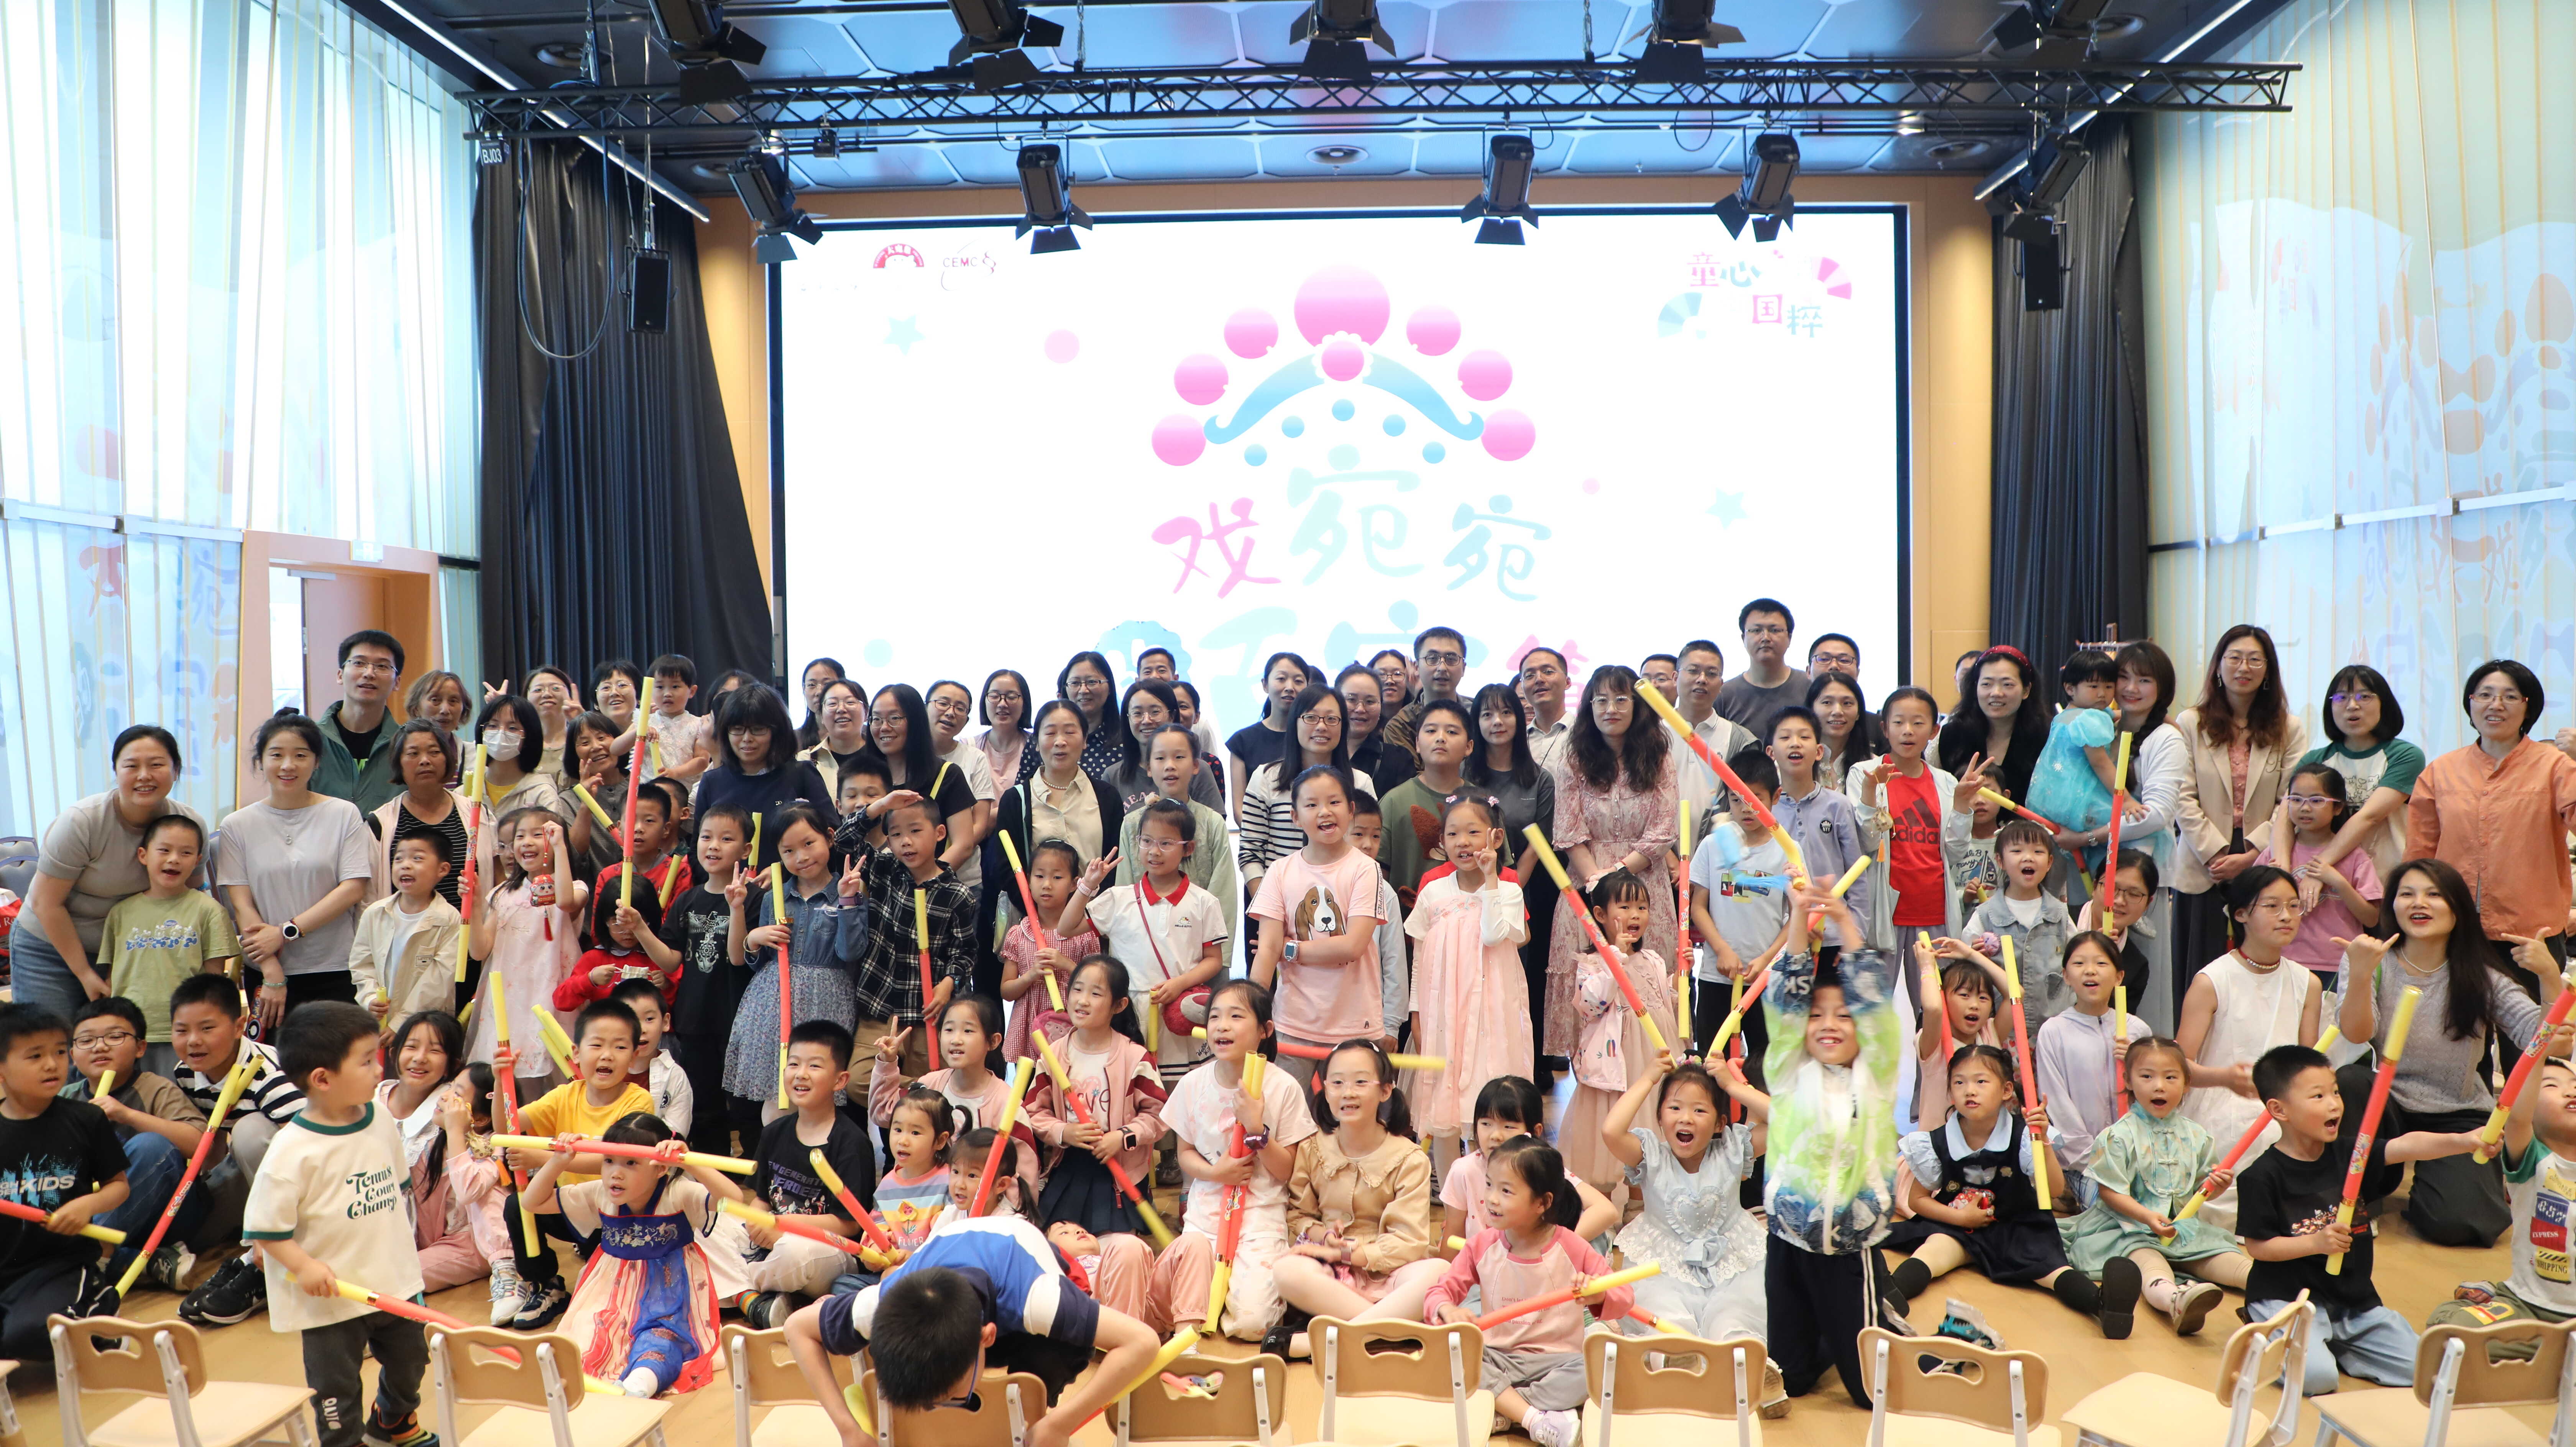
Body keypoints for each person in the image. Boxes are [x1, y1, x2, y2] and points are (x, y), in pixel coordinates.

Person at [784, 1212, 1164, 1445]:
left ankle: (1035, 1416)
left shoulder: (1040, 1299)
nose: (941, 1408)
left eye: (950, 1396)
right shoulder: (885, 1303)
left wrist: (1060, 1425)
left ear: (988, 1337)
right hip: (950, 1264)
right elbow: (797, 1328)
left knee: (1055, 1353)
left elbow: (1142, 1342)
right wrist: (849, 1430)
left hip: (1019, 1269)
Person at [2335, 858, 2561, 1248]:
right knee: (2351, 1081)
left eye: (2434, 894)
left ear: (2458, 909)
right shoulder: (2371, 960)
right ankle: (2366, 1192)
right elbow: (2357, 1033)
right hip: (2385, 1102)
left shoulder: (2481, 976)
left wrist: (2549, 976)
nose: (2418, 903)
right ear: (2392, 906)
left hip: (2456, 1112)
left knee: (2465, 1224)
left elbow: (2553, 1041)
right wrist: (2359, 973)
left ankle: (2431, 1190)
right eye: (2407, 894)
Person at [2236, 1042, 2482, 1394]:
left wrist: (2465, 1141)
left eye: (2335, 1092)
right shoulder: (2261, 1176)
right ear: (2279, 1110)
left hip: (2353, 1301)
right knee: (2318, 1380)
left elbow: (2406, 1145)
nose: (2335, 1104)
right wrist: (2314, 1243)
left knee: (2430, 1371)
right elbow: (2258, 1248)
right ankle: (2268, 1334)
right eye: (2318, 1096)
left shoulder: (2352, 1153)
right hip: (2290, 1301)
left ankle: (2337, 1345)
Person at [247, 1001, 432, 1447]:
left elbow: (399, 1189)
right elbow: (267, 1230)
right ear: (323, 1078)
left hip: (394, 1281)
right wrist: (304, 1265)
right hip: (331, 1298)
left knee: (412, 1361)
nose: (380, 1068)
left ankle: (392, 1418)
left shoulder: (380, 1117)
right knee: (335, 1388)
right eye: (366, 1060)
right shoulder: (290, 1151)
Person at [1878, 1046, 2133, 1335]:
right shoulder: (1937, 1141)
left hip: (2017, 1228)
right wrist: (1960, 1219)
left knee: (2052, 1271)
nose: (1969, 1091)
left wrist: (2042, 1142)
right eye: (1959, 1083)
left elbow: (2054, 1189)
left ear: (2006, 1090)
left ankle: (2102, 1305)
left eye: (1981, 1081)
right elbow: (1918, 1200)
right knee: (1933, 1252)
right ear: (1950, 1093)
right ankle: (1890, 1296)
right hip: (1959, 1229)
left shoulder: (2024, 1135)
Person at [1761, 883, 1899, 1408]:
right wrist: (1800, 917)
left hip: (1848, 1244)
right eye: (1818, 1015)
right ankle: (1825, 1331)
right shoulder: (1789, 1070)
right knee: (1791, 1381)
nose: (1828, 1025)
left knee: (1868, 1393)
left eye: (1843, 1015)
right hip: (1789, 1240)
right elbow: (1786, 999)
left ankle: (1882, 1322)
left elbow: (1876, 1005)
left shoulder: (1876, 1075)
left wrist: (1844, 921)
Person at [1426, 1136, 1637, 1447]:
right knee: (1448, 1351)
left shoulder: (1573, 1246)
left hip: (1559, 1362)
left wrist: (1598, 1295)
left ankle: (1505, 1410)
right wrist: (1448, 1309)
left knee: (1608, 1363)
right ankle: (1535, 1417)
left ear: (1543, 1203)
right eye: (1489, 1185)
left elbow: (1625, 1297)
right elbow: (1438, 1292)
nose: (1491, 1199)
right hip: (1497, 1358)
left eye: (1506, 1191)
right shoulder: (1481, 1246)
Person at [523, 1110, 743, 1396]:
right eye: (609, 1161)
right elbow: (532, 1202)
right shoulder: (600, 1192)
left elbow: (734, 1200)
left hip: (669, 1289)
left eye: (631, 1163)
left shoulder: (678, 1192)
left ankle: (639, 1385)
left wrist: (688, 1160)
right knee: (589, 1332)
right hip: (610, 1288)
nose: (616, 1173)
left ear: (661, 1169)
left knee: (662, 1340)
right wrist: (559, 1161)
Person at [1142, 980, 1316, 1339]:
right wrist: (1215, 1172)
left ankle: (1237, 1294)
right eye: (1215, 1017)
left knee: (1253, 1325)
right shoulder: (1193, 1083)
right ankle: (1221, 1296)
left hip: (1260, 1215)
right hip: (1206, 1213)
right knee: (1183, 1310)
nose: (1222, 1026)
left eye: (1236, 1017)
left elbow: (1287, 1170)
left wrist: (1256, 1129)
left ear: (1265, 1030)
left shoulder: (1283, 1087)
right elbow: (1186, 1154)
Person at [2056, 1035, 2253, 1337]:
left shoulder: (2198, 1136)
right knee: (2149, 1263)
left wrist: (2216, 1186)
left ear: (2187, 1084)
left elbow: (2202, 1191)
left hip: (2184, 1231)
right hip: (2127, 1229)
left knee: (2232, 1262)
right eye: (2147, 1077)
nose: (2159, 1086)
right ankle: (2175, 1300)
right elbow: (2109, 1192)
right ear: (2129, 1081)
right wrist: (2147, 1217)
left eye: (2170, 1077)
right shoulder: (2117, 1136)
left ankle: (2283, 1289)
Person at [1268, 1040, 1443, 1361]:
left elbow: (1409, 1241)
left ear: (1386, 1090)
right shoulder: (1313, 1148)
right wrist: (1326, 1238)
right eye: (1337, 1083)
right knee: (1286, 1271)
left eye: (1361, 1082)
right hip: (1332, 1275)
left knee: (1440, 1271)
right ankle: (1393, 1337)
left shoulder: (1410, 1158)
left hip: (1391, 1272)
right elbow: (1299, 1215)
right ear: (1326, 1090)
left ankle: (1334, 1340)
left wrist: (1349, 1253)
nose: (1348, 1093)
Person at [2407, 659, 2576, 979]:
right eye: (2484, 695)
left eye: (2510, 697)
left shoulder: (2556, 766)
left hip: (2529, 935)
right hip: (2454, 928)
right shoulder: (2441, 770)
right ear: (2470, 704)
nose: (2496, 705)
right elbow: (2420, 853)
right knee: (2458, 1013)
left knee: (2533, 1014)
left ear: (2528, 708)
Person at [1603, 1055, 1772, 1374]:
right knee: (1666, 1316)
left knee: (1734, 1317)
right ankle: (1675, 1360)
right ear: (1660, 1117)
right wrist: (1648, 1079)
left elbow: (1783, 1120)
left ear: (1720, 1123)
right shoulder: (1650, 1156)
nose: (1686, 1119)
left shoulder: (1732, 1151)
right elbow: (1611, 1131)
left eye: (1700, 1110)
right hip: (1663, 1267)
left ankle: (1748, 1367)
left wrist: (1731, 1085)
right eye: (1675, 1108)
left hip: (1732, 1263)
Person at [2176, 866, 2323, 1232]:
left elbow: (2308, 1069)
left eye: (2293, 906)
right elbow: (2178, 1067)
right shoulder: (2212, 981)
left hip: (2282, 1108)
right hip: (2220, 1104)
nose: (2287, 916)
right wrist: (2225, 1078)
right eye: (2272, 906)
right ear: (2241, 914)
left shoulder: (2308, 983)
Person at [1544, 665, 1679, 1063]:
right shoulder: (1573, 758)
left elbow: (1664, 830)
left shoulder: (1659, 756)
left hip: (1645, 885)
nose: (1611, 708)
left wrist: (1619, 876)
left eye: (1621, 699)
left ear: (1637, 706)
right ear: (1589, 706)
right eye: (1601, 700)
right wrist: (1598, 882)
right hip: (1588, 888)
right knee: (1592, 990)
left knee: (1646, 989)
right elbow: (1569, 832)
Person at [493, 998, 654, 1331]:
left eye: (619, 1047)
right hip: (572, 1206)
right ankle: (546, 1284)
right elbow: (506, 1128)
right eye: (597, 1045)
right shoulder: (565, 1095)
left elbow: (615, 1161)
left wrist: (545, 1159)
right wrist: (501, 1080)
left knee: (606, 1298)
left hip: (618, 1214)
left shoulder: (639, 1101)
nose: (607, 1055)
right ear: (577, 1054)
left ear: (634, 1055)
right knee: (519, 1206)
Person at [2172, 625, 2309, 997]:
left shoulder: (2289, 728)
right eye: (2234, 658)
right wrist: (2216, 853)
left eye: (2254, 660)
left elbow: (2291, 799)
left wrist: (2252, 854)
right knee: (2199, 973)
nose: (2243, 667)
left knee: (2256, 973)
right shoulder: (2191, 722)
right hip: (2203, 862)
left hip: (2262, 857)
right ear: (2218, 666)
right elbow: (2182, 794)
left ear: (2268, 670)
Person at [219, 714, 376, 1020]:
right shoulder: (237, 825)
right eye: (277, 755)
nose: (288, 765)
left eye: (301, 756)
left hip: (336, 966)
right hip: (268, 971)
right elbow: (242, 905)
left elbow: (353, 888)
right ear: (261, 761)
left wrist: (286, 932)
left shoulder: (343, 814)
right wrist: (271, 969)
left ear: (317, 762)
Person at [171, 973, 306, 1328]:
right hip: (249, 1176)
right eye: (182, 1031)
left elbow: (309, 1151)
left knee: (249, 1131)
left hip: (298, 1183)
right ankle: (248, 1255)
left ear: (239, 1027)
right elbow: (210, 1146)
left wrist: (268, 1225)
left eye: (207, 1029)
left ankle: (271, 1260)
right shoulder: (186, 1073)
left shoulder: (270, 1074)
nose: (193, 1041)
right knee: (191, 1229)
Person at [723, 1020, 877, 1328]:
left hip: (825, 1251)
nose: (801, 1074)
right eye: (794, 1064)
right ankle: (763, 1299)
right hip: (772, 1241)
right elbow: (762, 1199)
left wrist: (784, 1227)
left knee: (795, 1252)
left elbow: (848, 1224)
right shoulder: (775, 1132)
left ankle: (735, 1288)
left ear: (840, 1080)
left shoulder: (852, 1143)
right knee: (713, 1227)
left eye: (814, 1066)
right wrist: (758, 1220)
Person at [721, 804, 868, 1122]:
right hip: (774, 1006)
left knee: (820, 1092)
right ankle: (777, 1150)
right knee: (779, 1093)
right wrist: (753, 935)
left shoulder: (850, 892)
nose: (801, 857)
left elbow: (850, 953)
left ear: (829, 838)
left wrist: (847, 901)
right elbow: (745, 959)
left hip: (826, 1004)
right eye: (788, 851)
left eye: (809, 844)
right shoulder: (775, 897)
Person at [1405, 796, 1530, 1148]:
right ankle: (1451, 1182)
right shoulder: (1433, 891)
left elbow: (1492, 935)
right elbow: (1419, 957)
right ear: (1441, 842)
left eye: (1473, 833)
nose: (1463, 842)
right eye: (1453, 834)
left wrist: (1491, 879)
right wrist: (1417, 1012)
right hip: (1444, 1013)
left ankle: (1490, 1173)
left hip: (1493, 1012)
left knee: (1488, 1096)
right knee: (1442, 1107)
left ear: (1496, 838)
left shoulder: (1509, 891)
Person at [1249, 768, 1387, 1086]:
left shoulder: (1366, 869)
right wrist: (1252, 1010)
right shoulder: (1279, 871)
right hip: (1292, 1023)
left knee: (1350, 1111)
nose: (1324, 812)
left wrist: (1290, 949)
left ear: (1351, 810)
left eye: (1334, 802)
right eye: (1312, 805)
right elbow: (1266, 950)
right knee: (1286, 1109)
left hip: (1354, 1024)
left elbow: (1351, 947)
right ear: (1295, 817)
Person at [1071, 800, 1226, 1081]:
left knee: (1179, 1090)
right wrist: (1088, 885)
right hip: (1126, 1014)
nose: (1154, 851)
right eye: (1147, 841)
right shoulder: (1118, 898)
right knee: (1129, 1086)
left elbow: (1214, 961)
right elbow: (1066, 927)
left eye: (1166, 843)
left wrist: (1180, 984)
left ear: (1188, 849)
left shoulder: (1204, 902)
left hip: (1176, 1014)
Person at [64, 997, 211, 1290]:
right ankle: (141, 1262)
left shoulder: (155, 1088)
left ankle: (90, 1258)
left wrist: (126, 1115)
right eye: (87, 1040)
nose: (100, 1047)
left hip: (167, 1212)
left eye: (115, 1037)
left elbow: (199, 1145)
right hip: (88, 1215)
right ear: (72, 1054)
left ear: (141, 1047)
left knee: (151, 1146)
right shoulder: (64, 1099)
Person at [2428, 1056, 2576, 1345]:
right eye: (2551, 1086)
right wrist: (2544, 1041)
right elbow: (2518, 1118)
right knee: (2449, 1329)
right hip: (2528, 1306)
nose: (2570, 1092)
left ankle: (2552, 1352)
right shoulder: (2534, 1159)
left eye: (2575, 1085)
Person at [636, 804, 753, 1157]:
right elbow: (671, 959)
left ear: (746, 850)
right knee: (703, 1104)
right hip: (695, 1016)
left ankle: (752, 1169)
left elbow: (739, 956)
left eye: (726, 839)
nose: (713, 846)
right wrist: (640, 929)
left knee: (745, 1103)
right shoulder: (688, 899)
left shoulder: (756, 898)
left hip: (739, 1019)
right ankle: (712, 1168)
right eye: (706, 837)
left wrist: (737, 908)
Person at [1024, 955, 1168, 1235]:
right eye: (1077, 990)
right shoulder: (1053, 1055)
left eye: (1096, 994)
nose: (1083, 1000)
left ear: (1119, 1005)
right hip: (1070, 1164)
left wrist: (1123, 1137)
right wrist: (1064, 1132)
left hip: (1119, 1169)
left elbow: (1159, 1114)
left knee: (1116, 1242)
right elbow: (1033, 1112)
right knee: (1059, 1240)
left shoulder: (1134, 1057)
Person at [94, 814, 237, 1075]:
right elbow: (112, 979)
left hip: (185, 1034)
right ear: (143, 855)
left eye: (186, 853)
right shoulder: (120, 913)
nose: (174, 859)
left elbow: (214, 982)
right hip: (129, 1033)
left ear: (197, 860)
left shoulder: (209, 912)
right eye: (164, 850)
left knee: (179, 1099)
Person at [1563, 870, 1678, 1190]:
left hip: (1652, 1052)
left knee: (1649, 1125)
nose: (1635, 915)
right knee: (1613, 1132)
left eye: (1642, 907)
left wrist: (1680, 979)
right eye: (1625, 907)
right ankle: (1602, 1205)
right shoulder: (1593, 962)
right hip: (1617, 1063)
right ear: (1600, 915)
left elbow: (1664, 1001)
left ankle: (1639, 1205)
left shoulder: (1653, 959)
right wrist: (1615, 959)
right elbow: (1591, 1004)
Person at [865, 995, 1039, 1206]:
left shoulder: (1007, 1104)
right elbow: (883, 1114)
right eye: (949, 1030)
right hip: (919, 1207)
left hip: (976, 1214)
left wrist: (1000, 1218)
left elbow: (1024, 1180)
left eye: (968, 1031)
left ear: (993, 1041)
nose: (956, 1039)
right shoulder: (929, 1085)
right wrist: (887, 1062)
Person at [849, 795, 978, 1081]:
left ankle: (921, 1096)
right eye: (896, 835)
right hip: (879, 1006)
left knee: (934, 1077)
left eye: (916, 831)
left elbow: (965, 952)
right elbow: (844, 841)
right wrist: (880, 806)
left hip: (926, 1012)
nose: (906, 842)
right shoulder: (884, 870)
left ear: (940, 833)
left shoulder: (957, 894)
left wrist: (949, 984)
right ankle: (918, 1095)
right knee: (860, 1080)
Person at [462, 810, 585, 1097]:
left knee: (563, 1077)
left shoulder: (574, 888)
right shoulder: (502, 894)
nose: (526, 842)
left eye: (538, 834)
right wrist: (475, 905)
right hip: (510, 998)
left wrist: (560, 848)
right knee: (515, 1079)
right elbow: (479, 951)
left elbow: (566, 902)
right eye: (520, 837)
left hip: (552, 993)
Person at [372, 1011, 491, 1296]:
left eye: (435, 1051)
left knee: (384, 1282)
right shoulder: (371, 1100)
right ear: (394, 1053)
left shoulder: (458, 1106)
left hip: (457, 1240)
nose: (420, 1058)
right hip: (382, 1233)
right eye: (411, 1047)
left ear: (454, 1064)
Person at [1848, 686, 1964, 969]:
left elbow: (1955, 853)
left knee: (1931, 995)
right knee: (1881, 997)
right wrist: (1870, 791)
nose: (1908, 731)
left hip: (1935, 910)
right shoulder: (1864, 773)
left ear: (1934, 731)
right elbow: (1866, 844)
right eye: (1899, 722)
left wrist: (1963, 807)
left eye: (1918, 723)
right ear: (1885, 729)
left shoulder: (1946, 782)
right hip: (1884, 910)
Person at [1689, 751, 1794, 1062]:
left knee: (1765, 1064)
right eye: (1736, 800)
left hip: (1766, 979)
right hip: (1716, 976)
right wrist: (1722, 950)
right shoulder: (1712, 846)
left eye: (1755, 799)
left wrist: (1767, 959)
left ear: (1776, 797)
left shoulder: (1788, 850)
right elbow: (1698, 907)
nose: (1746, 808)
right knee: (1713, 1061)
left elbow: (1798, 916)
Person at [2111, 640, 2190, 1035]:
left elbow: (2158, 813)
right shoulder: (2104, 729)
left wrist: (2091, 835)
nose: (2131, 688)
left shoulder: (2166, 738)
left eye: (2144, 680)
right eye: (2123, 677)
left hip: (2142, 876)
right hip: (2099, 871)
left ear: (2163, 688)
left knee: (2143, 985)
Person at [2032, 932, 2155, 1185]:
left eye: (2101, 963)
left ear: (2119, 976)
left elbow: (2155, 1093)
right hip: (2082, 1168)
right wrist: (2095, 1160)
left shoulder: (2136, 1030)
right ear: (2066, 975)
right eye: (2079, 964)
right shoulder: (2054, 1032)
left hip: (2138, 1159)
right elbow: (2057, 1103)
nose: (2090, 971)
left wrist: (2138, 1065)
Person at [1439, 1077, 1620, 1247]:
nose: (1495, 1135)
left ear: (1535, 1131)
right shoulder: (1464, 1170)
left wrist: (1553, 1246)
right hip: (1482, 1266)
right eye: (1486, 1124)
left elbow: (1606, 1210)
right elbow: (1453, 1234)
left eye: (1509, 1127)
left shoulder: (1541, 1168)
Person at [2292, 664, 2423, 893]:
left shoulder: (2405, 756)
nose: (2352, 706)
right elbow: (2286, 816)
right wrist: (2283, 868)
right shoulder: (2315, 760)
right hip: (2326, 882)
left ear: (2384, 704)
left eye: (2364, 697)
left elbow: (2369, 817)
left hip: (2387, 878)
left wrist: (2318, 868)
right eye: (2341, 697)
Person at [1238, 684, 1377, 896]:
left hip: (1343, 899)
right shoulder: (1266, 778)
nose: (1321, 726)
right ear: (1295, 723)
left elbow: (1366, 846)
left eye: (1331, 719)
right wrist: (1269, 904)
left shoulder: (1360, 782)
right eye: (1311, 718)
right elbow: (1251, 851)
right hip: (1277, 898)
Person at [1113, 724, 1239, 953]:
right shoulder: (1132, 823)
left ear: (1195, 765)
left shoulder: (1212, 823)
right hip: (1145, 947)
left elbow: (1224, 892)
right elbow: (1124, 890)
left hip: (1201, 948)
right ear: (1149, 768)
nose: (1170, 765)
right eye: (1160, 758)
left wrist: (1219, 956)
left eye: (1179, 757)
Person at [2254, 766, 2382, 988]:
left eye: (2316, 801)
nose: (2305, 808)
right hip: (2283, 960)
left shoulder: (2355, 857)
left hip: (2338, 964)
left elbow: (2372, 918)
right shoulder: (2274, 854)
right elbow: (2249, 907)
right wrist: (2269, 886)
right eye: (2296, 800)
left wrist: (2339, 882)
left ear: (2338, 807)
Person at [699, 684, 838, 875]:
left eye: (758, 729)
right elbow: (697, 852)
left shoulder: (801, 775)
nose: (747, 738)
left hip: (793, 888)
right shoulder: (712, 781)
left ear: (777, 731)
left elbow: (832, 840)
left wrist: (782, 870)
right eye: (737, 729)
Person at [1766, 705, 1873, 948]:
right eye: (1785, 737)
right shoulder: (1766, 811)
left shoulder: (1838, 805)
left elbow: (1856, 877)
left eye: (1804, 737)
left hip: (1834, 937)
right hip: (1782, 939)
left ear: (1819, 751)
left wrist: (1854, 933)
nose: (1795, 744)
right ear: (1771, 753)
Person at [1963, 818, 2076, 1023]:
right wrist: (1974, 957)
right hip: (2001, 1028)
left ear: (2050, 862)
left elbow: (2077, 961)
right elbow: (1965, 968)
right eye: (2017, 851)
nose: (2028, 858)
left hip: (2053, 1027)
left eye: (2038, 852)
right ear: (2000, 861)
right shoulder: (1985, 915)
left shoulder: (2060, 914)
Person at [348, 832, 462, 1031]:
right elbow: (362, 965)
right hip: (379, 1020)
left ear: (442, 869)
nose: (405, 865)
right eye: (399, 858)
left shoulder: (449, 919)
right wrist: (370, 998)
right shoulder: (375, 913)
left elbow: (439, 981)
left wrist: (402, 1022)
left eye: (417, 858)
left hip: (426, 1024)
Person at [998, 700, 1127, 874]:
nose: (1060, 742)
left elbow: (1116, 863)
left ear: (1085, 740)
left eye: (1070, 732)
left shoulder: (1108, 797)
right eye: (1050, 733)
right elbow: (1006, 869)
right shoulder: (1015, 800)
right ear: (1036, 743)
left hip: (1098, 893)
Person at [997, 840, 1098, 1061]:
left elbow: (1097, 984)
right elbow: (1006, 991)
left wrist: (1067, 965)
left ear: (1074, 884)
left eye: (1057, 877)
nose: (1047, 885)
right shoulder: (1018, 934)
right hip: (1028, 1031)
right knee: (1029, 1082)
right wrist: (1031, 976)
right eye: (1040, 876)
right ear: (1028, 880)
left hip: (1072, 1026)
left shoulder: (1084, 933)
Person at [1373, 697, 1476, 910]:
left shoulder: (1481, 803)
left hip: (1474, 921)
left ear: (1469, 747)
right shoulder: (1394, 801)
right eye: (1431, 731)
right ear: (1418, 745)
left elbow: (1501, 870)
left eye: (1452, 732)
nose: (1441, 738)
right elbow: (1378, 875)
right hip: (1408, 924)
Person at [2023, 650, 2121, 855]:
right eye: (2094, 686)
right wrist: (2126, 800)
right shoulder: (2090, 719)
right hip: (2080, 798)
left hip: (2051, 798)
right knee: (2129, 826)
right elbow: (2101, 764)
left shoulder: (2067, 715)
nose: (2102, 694)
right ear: (2070, 688)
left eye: (2109, 686)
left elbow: (2117, 715)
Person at [1935, 646, 2054, 812]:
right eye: (1987, 684)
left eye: (2007, 685)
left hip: (2027, 828)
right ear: (1975, 687)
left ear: (2026, 690)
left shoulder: (2047, 738)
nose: (1996, 693)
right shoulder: (1952, 735)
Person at [366, 721, 468, 909]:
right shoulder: (379, 824)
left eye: (434, 752)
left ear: (447, 758)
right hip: (401, 927)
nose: (425, 761)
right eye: (413, 754)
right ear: (399, 763)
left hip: (468, 926)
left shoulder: (477, 814)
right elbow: (369, 897)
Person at [309, 629, 406, 812]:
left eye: (382, 666)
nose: (369, 673)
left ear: (397, 682)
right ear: (340, 675)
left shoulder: (406, 745)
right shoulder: (310, 741)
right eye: (359, 663)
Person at [1670, 639, 1755, 831]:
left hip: (1720, 847)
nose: (1702, 679)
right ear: (1675, 677)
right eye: (1693, 671)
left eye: (1712, 674)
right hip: (1659, 849)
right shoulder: (1652, 736)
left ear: (1721, 684)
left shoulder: (1740, 741)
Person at [1106, 679, 1222, 814]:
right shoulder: (1113, 776)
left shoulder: (1199, 770)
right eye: (1137, 713)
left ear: (1172, 716)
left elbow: (1213, 823)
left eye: (1155, 712)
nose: (1146, 720)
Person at [925, 679, 1002, 870]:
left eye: (960, 709)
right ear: (924, 708)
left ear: (967, 720)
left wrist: (937, 870)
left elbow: (980, 825)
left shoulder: (975, 758)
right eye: (943, 703)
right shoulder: (906, 755)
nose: (950, 713)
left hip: (964, 876)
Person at [1227, 651, 1312, 819]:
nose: (1290, 687)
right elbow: (1240, 810)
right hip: (1257, 833)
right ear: (1265, 685)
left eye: (1298, 681)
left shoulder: (1313, 737)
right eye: (1281, 679)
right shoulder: (1242, 741)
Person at [466, 694, 569, 831]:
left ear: (529, 736)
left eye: (513, 728)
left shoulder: (541, 792)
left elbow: (552, 840)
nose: (501, 733)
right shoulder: (467, 789)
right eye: (493, 726)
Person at [609, 978, 691, 1137]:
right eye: (631, 1020)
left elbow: (677, 1134)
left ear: (665, 1022)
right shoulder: (602, 1069)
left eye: (649, 1019)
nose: (641, 1029)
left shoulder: (674, 1076)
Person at [1716, 599, 1808, 735]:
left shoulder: (1810, 687)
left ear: (1789, 638)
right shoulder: (1724, 694)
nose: (1766, 638)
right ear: (1743, 638)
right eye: (1756, 630)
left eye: (1775, 630)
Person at [1380, 625, 1469, 758]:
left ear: (1463, 668)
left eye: (1451, 659)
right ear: (1416, 667)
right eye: (1432, 658)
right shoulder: (1401, 726)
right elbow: (1410, 771)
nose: (1442, 667)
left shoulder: (1478, 714)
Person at [1338, 662, 1417, 795]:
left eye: (1370, 702)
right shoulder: (1320, 751)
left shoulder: (1398, 759)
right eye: (1352, 700)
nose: (1360, 709)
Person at [634, 654, 713, 787]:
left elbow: (702, 760)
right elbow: (616, 749)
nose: (667, 694)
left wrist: (675, 773)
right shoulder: (643, 721)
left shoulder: (699, 724)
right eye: (660, 687)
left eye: (675, 687)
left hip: (684, 791)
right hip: (649, 790)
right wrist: (638, 731)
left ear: (692, 691)